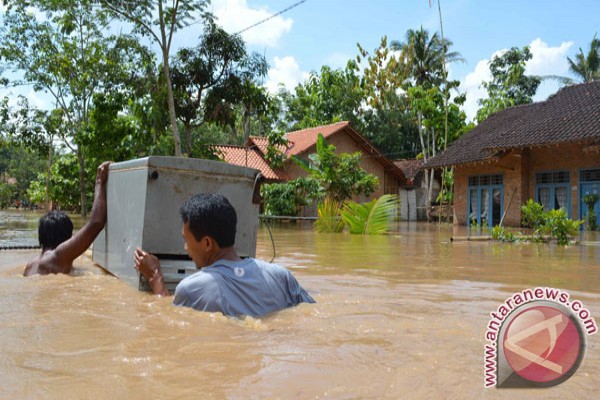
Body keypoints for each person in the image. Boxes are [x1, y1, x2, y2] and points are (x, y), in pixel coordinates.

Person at [134, 193, 315, 317]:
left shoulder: (191, 288)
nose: (185, 247)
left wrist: (155, 277)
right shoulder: (280, 275)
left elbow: (167, 321)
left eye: (187, 240)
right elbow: (311, 313)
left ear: (206, 243)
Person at [23, 161, 111, 276]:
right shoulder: (57, 257)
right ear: (66, 238)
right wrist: (99, 181)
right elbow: (96, 223)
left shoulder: (32, 263)